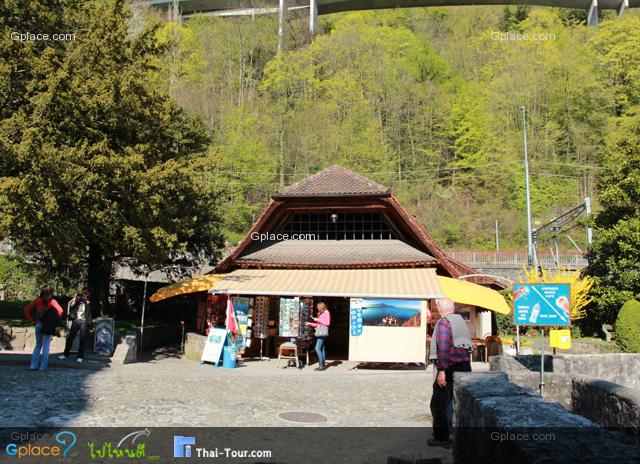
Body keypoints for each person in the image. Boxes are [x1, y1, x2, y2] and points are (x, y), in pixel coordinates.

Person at [428, 298, 472, 447]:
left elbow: (444, 346)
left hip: (449, 367)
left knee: (439, 403)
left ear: (440, 308)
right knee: (456, 403)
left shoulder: (444, 322)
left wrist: (441, 370)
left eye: (436, 307)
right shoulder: (460, 321)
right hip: (464, 365)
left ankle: (442, 437)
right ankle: (455, 435)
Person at [24, 286, 64, 371]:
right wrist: (54, 321)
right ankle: (43, 367)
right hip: (48, 326)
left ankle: (33, 366)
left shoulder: (37, 300)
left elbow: (26, 310)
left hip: (38, 324)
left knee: (38, 345)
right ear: (51, 292)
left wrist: (32, 321)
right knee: (46, 346)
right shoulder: (52, 301)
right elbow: (61, 311)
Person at [59, 287, 92, 363]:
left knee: (82, 339)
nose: (84, 295)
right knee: (70, 337)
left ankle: (80, 356)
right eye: (83, 293)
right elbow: (71, 307)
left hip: (83, 321)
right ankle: (66, 354)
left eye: (85, 294)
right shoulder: (78, 300)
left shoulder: (88, 303)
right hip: (76, 320)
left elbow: (89, 310)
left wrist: (86, 300)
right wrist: (75, 299)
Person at [306, 302, 331, 371]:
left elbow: (327, 323)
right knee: (322, 349)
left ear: (321, 307)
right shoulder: (322, 313)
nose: (317, 308)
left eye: (318, 307)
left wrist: (318, 320)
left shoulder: (326, 312)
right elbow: (318, 324)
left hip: (322, 332)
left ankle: (321, 366)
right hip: (321, 332)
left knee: (317, 348)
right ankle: (323, 365)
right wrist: (310, 323)